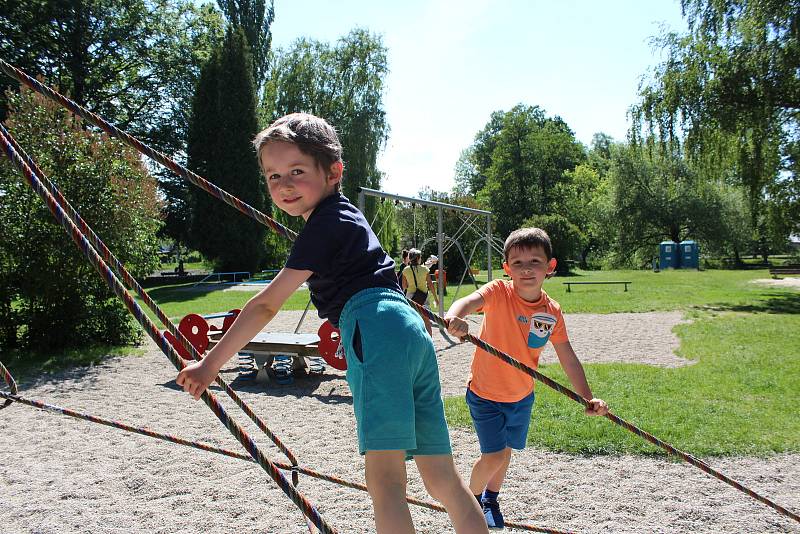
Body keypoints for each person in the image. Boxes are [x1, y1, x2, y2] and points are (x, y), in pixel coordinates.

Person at [176, 113, 487, 534]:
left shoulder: (322, 225)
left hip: (373, 330)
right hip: (409, 330)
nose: (283, 184)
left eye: (297, 172)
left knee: (386, 482)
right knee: (441, 477)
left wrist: (209, 364)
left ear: (334, 172)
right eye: (273, 176)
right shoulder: (345, 216)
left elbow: (266, 306)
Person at [444, 227, 609, 530]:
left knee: (504, 453)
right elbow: (467, 302)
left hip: (521, 396)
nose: (526, 269)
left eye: (535, 261)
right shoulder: (499, 291)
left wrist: (587, 396)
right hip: (485, 393)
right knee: (493, 455)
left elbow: (567, 357)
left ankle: (491, 500)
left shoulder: (552, 312)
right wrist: (456, 317)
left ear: (550, 267)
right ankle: (470, 500)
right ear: (507, 268)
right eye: (517, 263)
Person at [401, 248, 439, 336]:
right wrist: (436, 299)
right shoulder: (425, 269)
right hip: (423, 297)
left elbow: (404, 286)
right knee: (427, 321)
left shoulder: (406, 270)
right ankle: (430, 342)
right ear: (418, 258)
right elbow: (430, 285)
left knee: (412, 319)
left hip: (410, 297)